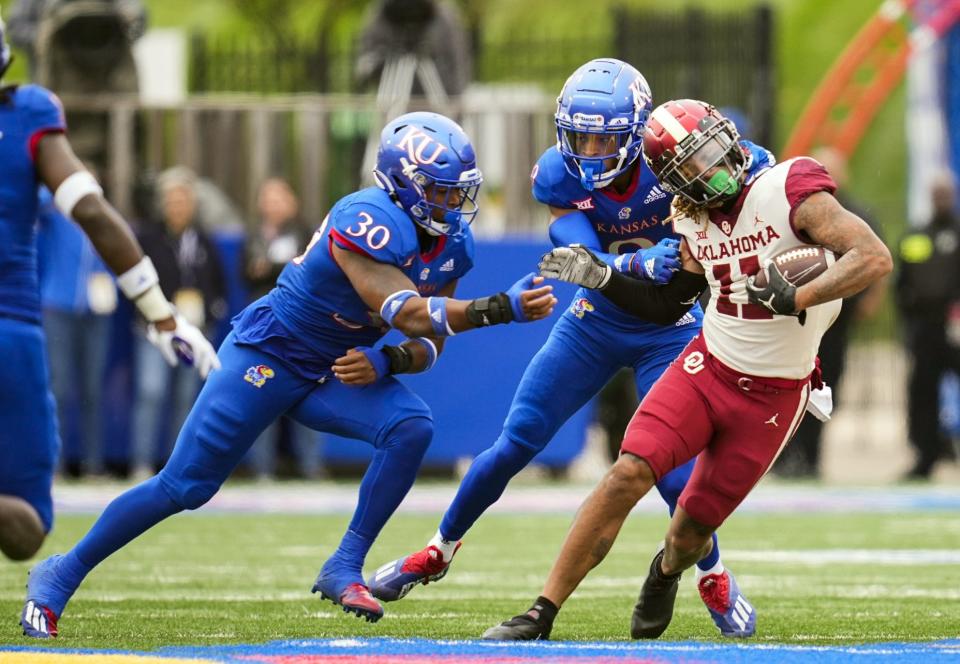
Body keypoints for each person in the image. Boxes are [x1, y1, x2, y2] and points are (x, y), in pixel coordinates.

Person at [19, 111, 557, 638]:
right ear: (404, 185)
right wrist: (500, 308)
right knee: (185, 485)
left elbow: (430, 342)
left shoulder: (452, 245)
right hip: (270, 353)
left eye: (456, 190)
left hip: (330, 370)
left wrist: (388, 360)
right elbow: (406, 312)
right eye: (440, 190)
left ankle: (344, 565)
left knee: (411, 425)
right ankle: (59, 573)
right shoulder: (364, 216)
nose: (452, 203)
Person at [368, 58, 775, 638]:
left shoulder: (671, 157)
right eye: (579, 135)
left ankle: (712, 572)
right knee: (515, 442)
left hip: (671, 324)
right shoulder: (560, 175)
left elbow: (753, 172)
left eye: (604, 139)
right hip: (598, 318)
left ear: (638, 137)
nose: (589, 151)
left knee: (675, 478)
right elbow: (582, 259)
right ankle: (436, 550)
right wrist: (631, 261)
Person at [481, 99, 892, 641]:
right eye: (693, 167)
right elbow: (667, 304)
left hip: (775, 393)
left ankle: (666, 570)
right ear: (674, 182)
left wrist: (799, 294)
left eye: (715, 151)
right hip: (707, 366)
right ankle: (540, 612)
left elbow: (872, 257)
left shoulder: (788, 187)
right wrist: (602, 279)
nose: (714, 169)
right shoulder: (690, 216)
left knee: (692, 529)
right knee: (628, 472)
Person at [0, 13, 217, 566]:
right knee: (27, 526)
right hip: (13, 331)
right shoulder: (27, 113)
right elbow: (93, 211)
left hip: (22, 323)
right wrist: (160, 314)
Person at [773, 147, 886, 478]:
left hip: (839, 320)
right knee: (789, 384)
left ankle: (812, 456)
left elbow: (878, 258)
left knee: (826, 386)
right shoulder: (796, 211)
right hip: (800, 318)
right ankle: (784, 456)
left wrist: (871, 300)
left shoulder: (857, 212)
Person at [131, 167, 227, 476]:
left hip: (193, 331)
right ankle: (141, 462)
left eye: (183, 200)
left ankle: (178, 464)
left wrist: (211, 313)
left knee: (187, 399)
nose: (178, 206)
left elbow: (218, 283)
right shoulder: (148, 237)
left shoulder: (204, 240)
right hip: (155, 329)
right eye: (172, 200)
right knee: (151, 392)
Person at [241, 177, 319, 479]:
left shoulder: (305, 232)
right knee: (262, 393)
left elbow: (303, 270)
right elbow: (245, 272)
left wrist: (270, 268)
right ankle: (262, 468)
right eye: (268, 199)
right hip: (263, 325)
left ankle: (310, 466)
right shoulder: (253, 233)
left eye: (279, 198)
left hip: (302, 325)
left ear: (292, 202)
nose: (273, 205)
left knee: (307, 392)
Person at [37, 186, 116, 479]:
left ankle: (92, 464)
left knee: (92, 391)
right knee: (57, 388)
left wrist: (112, 288)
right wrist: (61, 187)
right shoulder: (56, 218)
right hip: (58, 308)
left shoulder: (106, 221)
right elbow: (37, 197)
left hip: (96, 314)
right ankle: (53, 465)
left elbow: (119, 259)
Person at [896, 170, 960, 479]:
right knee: (922, 393)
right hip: (925, 329)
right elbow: (903, 282)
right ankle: (926, 456)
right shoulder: (916, 235)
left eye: (945, 194)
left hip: (956, 328)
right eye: (936, 194)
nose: (941, 200)